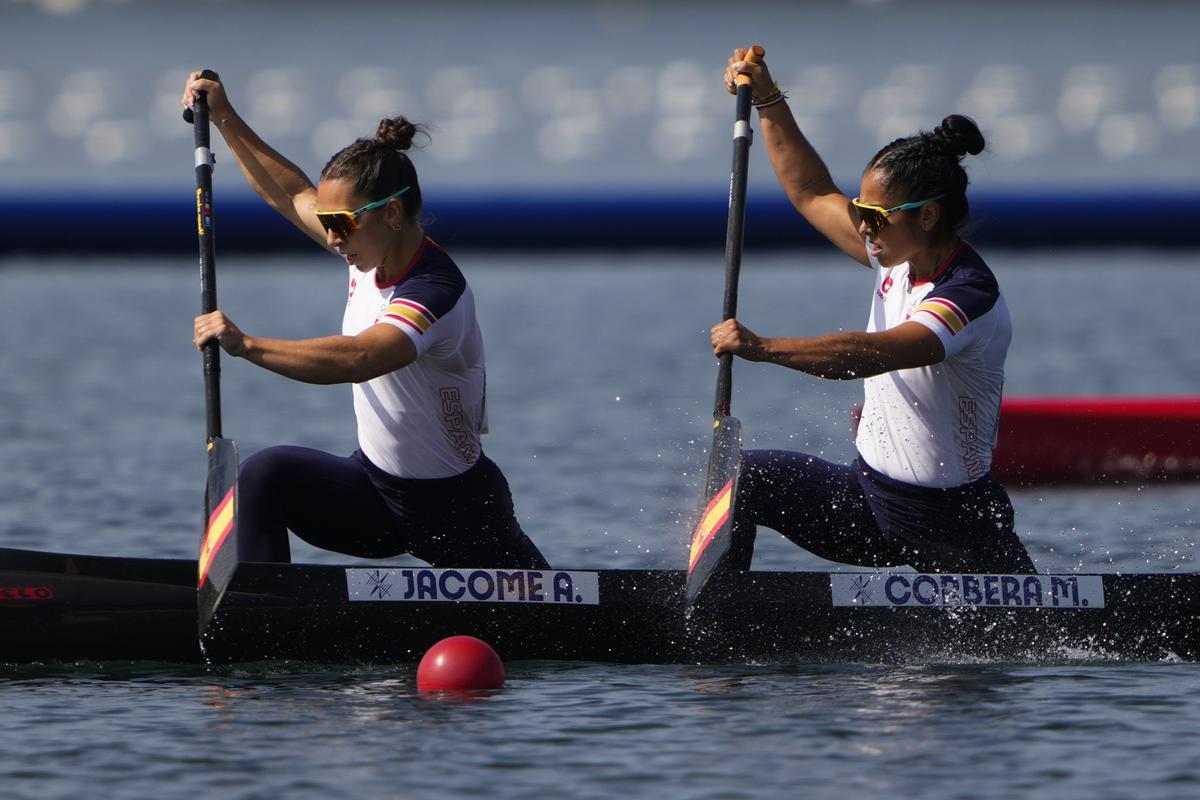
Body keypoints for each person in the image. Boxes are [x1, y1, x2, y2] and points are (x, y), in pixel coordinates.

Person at [181, 71, 549, 569]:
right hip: (376, 494)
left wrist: (247, 345)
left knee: (552, 632)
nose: (332, 237)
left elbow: (361, 357)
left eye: (341, 224)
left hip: (459, 511)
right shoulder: (365, 247)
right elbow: (291, 195)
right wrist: (223, 115)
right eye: (329, 223)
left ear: (391, 214)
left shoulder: (435, 290)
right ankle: (262, 614)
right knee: (264, 477)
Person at [710, 46, 1035, 575]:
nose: (863, 226)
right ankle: (716, 623)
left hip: (951, 523)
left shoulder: (967, 294)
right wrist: (768, 99)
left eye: (875, 216)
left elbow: (873, 354)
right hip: (869, 499)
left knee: (1024, 645)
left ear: (927, 216)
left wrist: (762, 347)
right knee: (742, 480)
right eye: (860, 211)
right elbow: (811, 191)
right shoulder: (894, 253)